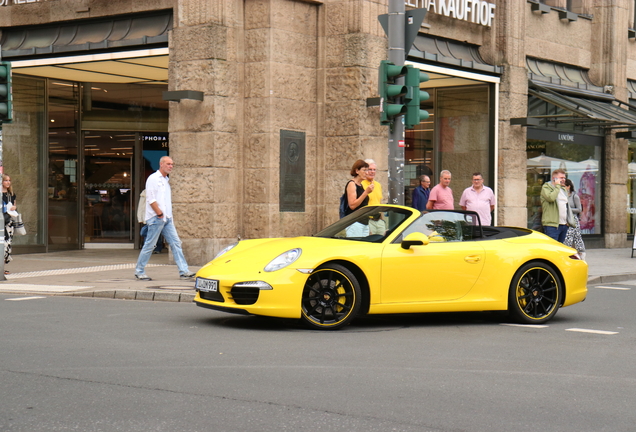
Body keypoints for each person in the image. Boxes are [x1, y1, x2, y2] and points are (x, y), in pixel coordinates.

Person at [134, 156, 195, 281]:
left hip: (167, 218)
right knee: (150, 245)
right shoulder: (153, 179)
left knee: (176, 243)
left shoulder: (166, 180)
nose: (171, 166)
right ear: (161, 164)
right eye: (168, 164)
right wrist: (159, 213)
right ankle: (139, 271)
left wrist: (167, 216)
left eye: (172, 164)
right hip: (157, 218)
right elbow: (151, 199)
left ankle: (184, 271)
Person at [344, 159, 374, 237]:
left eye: (367, 170)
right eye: (364, 170)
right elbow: (352, 205)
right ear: (357, 171)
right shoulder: (352, 184)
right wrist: (366, 192)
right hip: (355, 222)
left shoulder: (361, 185)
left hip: (364, 222)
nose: (366, 173)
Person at [540, 168, 569, 243]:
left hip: (563, 224)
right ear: (554, 178)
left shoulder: (563, 189)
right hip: (552, 225)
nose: (563, 180)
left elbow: (566, 206)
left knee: (560, 249)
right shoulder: (546, 187)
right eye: (561, 178)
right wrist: (557, 186)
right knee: (552, 248)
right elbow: (551, 198)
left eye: (564, 178)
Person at [564, 178, 586, 260]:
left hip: (573, 219)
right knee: (573, 236)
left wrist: (568, 209)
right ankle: (570, 254)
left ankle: (581, 253)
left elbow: (579, 209)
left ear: (568, 186)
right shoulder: (562, 195)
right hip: (565, 219)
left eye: (564, 186)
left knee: (573, 237)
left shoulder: (574, 196)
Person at [137, 189, 164, 254]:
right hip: (147, 216)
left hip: (156, 215)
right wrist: (140, 217)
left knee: (157, 233)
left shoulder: (158, 193)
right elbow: (141, 207)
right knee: (148, 233)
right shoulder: (144, 193)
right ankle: (148, 248)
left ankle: (157, 247)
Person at [2, 174, 17, 274]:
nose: (8, 182)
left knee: (7, 244)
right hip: (1, 221)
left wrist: (14, 208)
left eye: (9, 180)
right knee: (2, 244)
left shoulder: (11, 193)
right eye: (5, 180)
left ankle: (2, 267)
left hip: (9, 221)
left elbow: (15, 205)